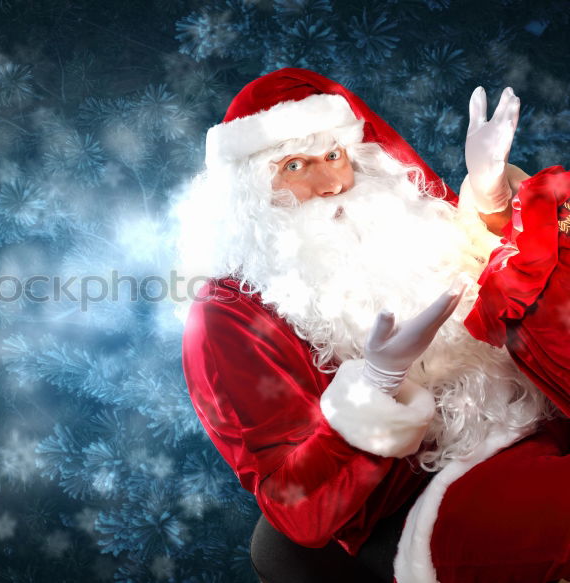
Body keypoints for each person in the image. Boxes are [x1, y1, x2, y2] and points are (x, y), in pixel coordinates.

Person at [176, 68, 570, 583]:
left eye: (334, 155)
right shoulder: (228, 316)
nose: (331, 185)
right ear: (250, 196)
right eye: (295, 166)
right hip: (426, 497)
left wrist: (492, 199)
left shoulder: (398, 222)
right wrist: (378, 385)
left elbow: (506, 285)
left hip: (538, 424)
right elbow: (296, 506)